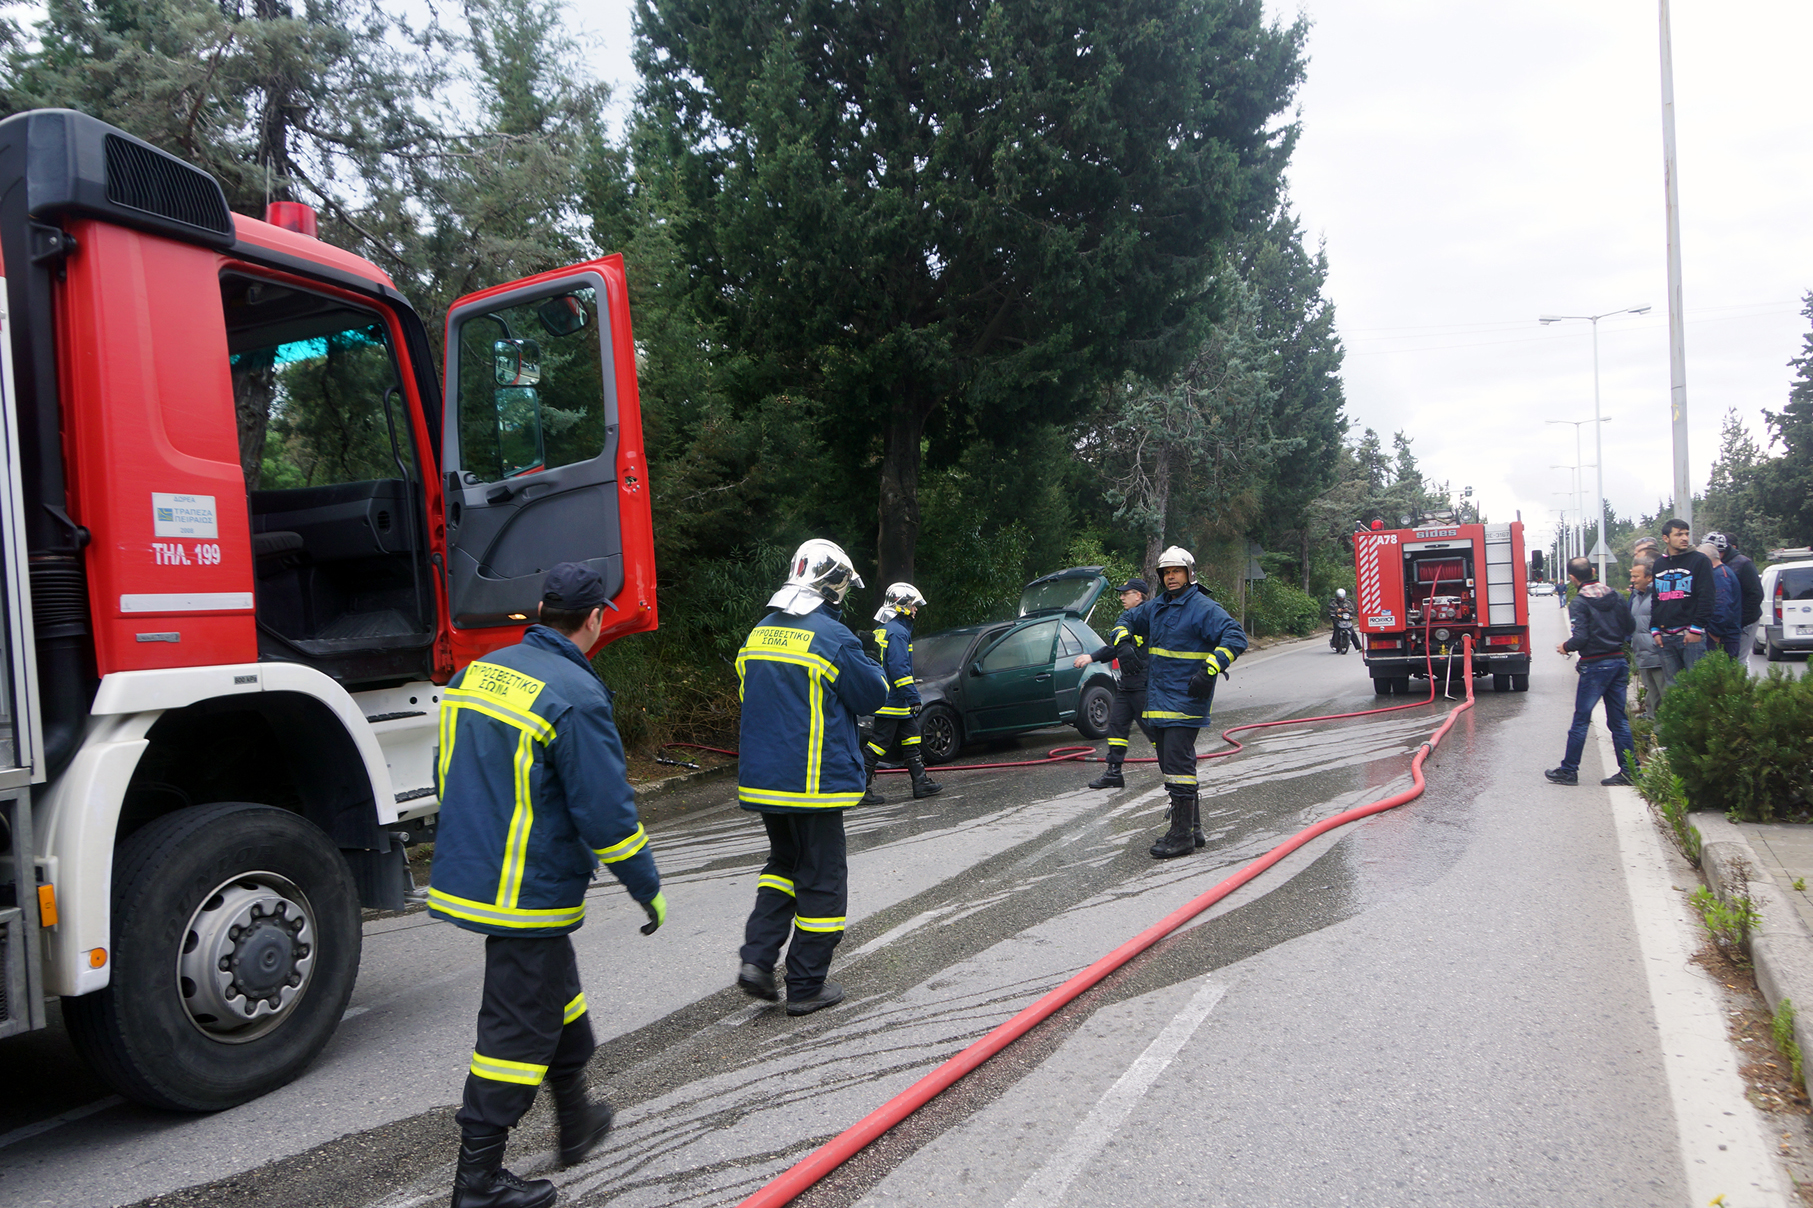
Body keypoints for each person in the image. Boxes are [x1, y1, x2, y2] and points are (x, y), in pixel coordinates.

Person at [429, 563, 664, 1208]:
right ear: (595, 619)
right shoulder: (575, 694)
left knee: (558, 996)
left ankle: (576, 1118)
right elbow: (606, 812)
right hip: (525, 888)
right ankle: (477, 1182)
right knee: (517, 1026)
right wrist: (645, 884)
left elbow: (447, 767)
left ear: (539, 612)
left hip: (477, 868)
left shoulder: (478, 672)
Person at [734, 539, 888, 1016]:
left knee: (783, 865)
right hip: (812, 784)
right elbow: (872, 695)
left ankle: (757, 960)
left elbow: (752, 695)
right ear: (834, 586)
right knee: (823, 880)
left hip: (764, 782)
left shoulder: (759, 632)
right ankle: (805, 985)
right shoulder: (831, 636)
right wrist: (867, 657)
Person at [1120, 547, 1247, 858]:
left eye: (1176, 571)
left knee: (1178, 765)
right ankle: (1193, 828)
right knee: (1170, 765)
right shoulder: (1157, 607)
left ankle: (1181, 837)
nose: (1170, 577)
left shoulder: (1202, 607)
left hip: (1187, 699)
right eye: (1166, 572)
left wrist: (1210, 669)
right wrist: (1122, 642)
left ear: (1190, 574)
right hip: (1158, 700)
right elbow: (1126, 618)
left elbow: (1235, 637)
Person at [1546, 557, 1638, 787]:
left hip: (1595, 666)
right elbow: (1630, 627)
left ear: (1572, 578)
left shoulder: (1579, 602)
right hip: (1618, 661)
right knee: (1619, 721)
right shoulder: (1616, 596)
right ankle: (1630, 771)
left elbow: (1581, 638)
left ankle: (1569, 771)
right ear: (1594, 571)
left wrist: (1566, 647)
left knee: (1581, 719)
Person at [862, 583, 942, 803]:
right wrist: (913, 697)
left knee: (911, 736)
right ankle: (860, 787)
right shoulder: (898, 632)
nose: (915, 610)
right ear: (901, 606)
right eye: (913, 605)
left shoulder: (884, 629)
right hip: (892, 700)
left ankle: (920, 783)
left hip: (892, 699)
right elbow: (899, 669)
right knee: (879, 743)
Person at [1072, 578, 1156, 789]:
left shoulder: (1147, 616)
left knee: (1154, 730)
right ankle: (1113, 773)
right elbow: (1119, 647)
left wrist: (1092, 656)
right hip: (1127, 686)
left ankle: (1172, 765)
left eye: (1125, 594)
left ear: (1138, 595)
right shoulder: (1130, 619)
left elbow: (1124, 647)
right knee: (1117, 727)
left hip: (1144, 685)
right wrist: (1092, 657)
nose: (1121, 597)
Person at [1649, 518, 1714, 690]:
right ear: (1666, 538)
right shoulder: (1659, 564)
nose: (1684, 538)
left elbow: (1707, 597)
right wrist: (1654, 629)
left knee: (1696, 687)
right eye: (1678, 534)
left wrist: (1696, 629)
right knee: (1673, 689)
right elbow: (1656, 598)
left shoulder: (1700, 560)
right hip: (1665, 638)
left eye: (1686, 534)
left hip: (1690, 636)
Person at [1705, 532, 1764, 660]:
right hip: (1725, 622)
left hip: (1745, 621)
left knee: (1738, 660)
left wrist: (1738, 621)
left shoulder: (1743, 564)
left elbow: (1756, 595)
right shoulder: (1715, 566)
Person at [1629, 557, 1665, 719]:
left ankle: (1663, 729)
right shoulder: (1637, 596)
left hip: (1657, 655)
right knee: (1652, 695)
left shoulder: (1659, 596)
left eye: (1636, 576)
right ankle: (1653, 725)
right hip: (1643, 656)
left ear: (1650, 577)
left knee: (1664, 695)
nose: (1632, 580)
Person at [1700, 541, 1743, 660]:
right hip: (1725, 633)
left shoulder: (1719, 575)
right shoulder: (1721, 572)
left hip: (1724, 636)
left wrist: (1715, 632)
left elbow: (1722, 605)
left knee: (1722, 669)